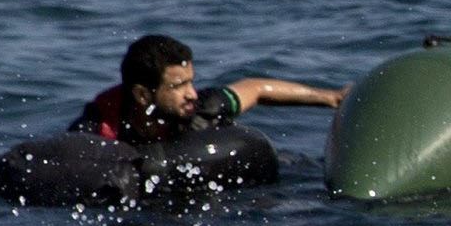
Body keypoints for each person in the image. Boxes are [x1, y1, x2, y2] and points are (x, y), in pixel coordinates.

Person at [72, 34, 340, 144]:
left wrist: (330, 98)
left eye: (191, 81)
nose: (192, 93)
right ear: (143, 95)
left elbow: (256, 88)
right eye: (178, 86)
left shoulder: (202, 110)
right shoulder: (96, 129)